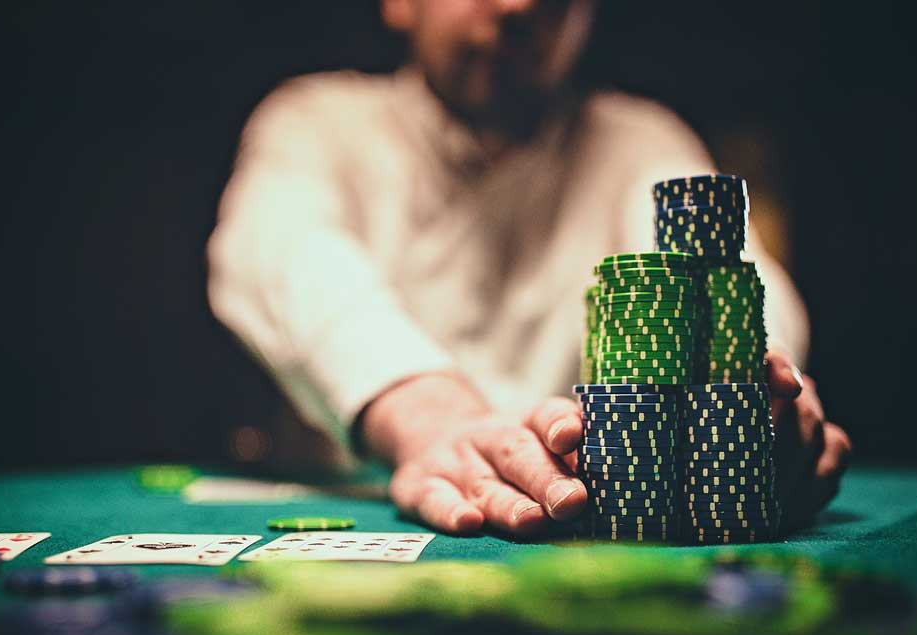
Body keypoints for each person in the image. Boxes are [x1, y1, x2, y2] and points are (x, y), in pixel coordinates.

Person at [207, 0, 852, 536]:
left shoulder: (640, 140)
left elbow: (736, 280)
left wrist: (757, 393)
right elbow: (277, 252)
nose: (519, 6)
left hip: (584, 528)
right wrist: (425, 415)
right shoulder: (315, 120)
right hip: (363, 513)